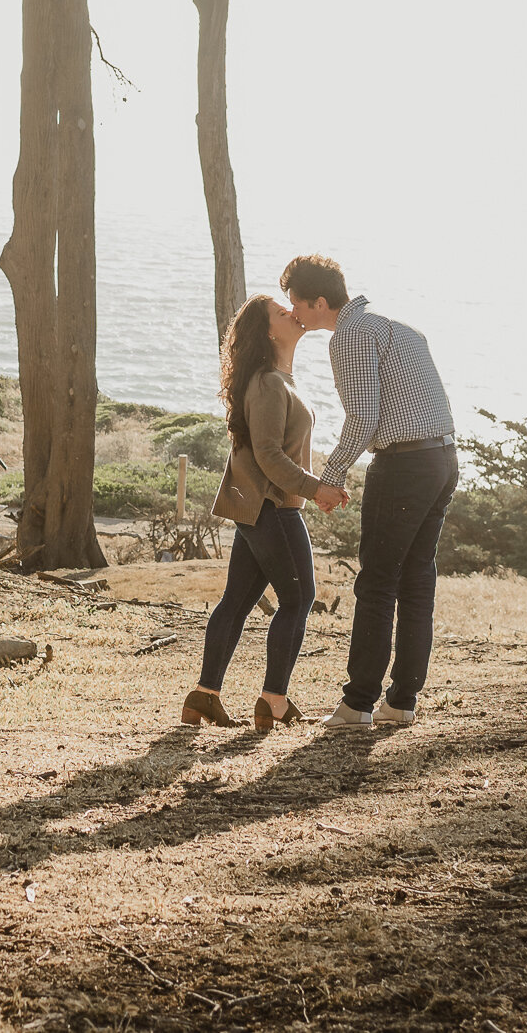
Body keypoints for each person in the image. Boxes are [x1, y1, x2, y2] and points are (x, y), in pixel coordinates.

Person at [280, 254, 458, 732]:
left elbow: (364, 417)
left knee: (377, 582)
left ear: (320, 302)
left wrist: (330, 478)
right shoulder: (400, 327)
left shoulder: (350, 336)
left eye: (296, 302)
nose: (292, 311)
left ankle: (357, 704)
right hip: (443, 459)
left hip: (403, 464)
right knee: (417, 580)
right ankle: (401, 701)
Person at [182, 294, 348, 733]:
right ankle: (274, 699)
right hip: (273, 507)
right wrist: (317, 490)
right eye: (281, 312)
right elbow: (270, 456)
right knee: (298, 599)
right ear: (270, 332)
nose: (292, 314)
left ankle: (205, 694)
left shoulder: (275, 379)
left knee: (236, 601)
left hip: (256, 508)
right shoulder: (270, 383)